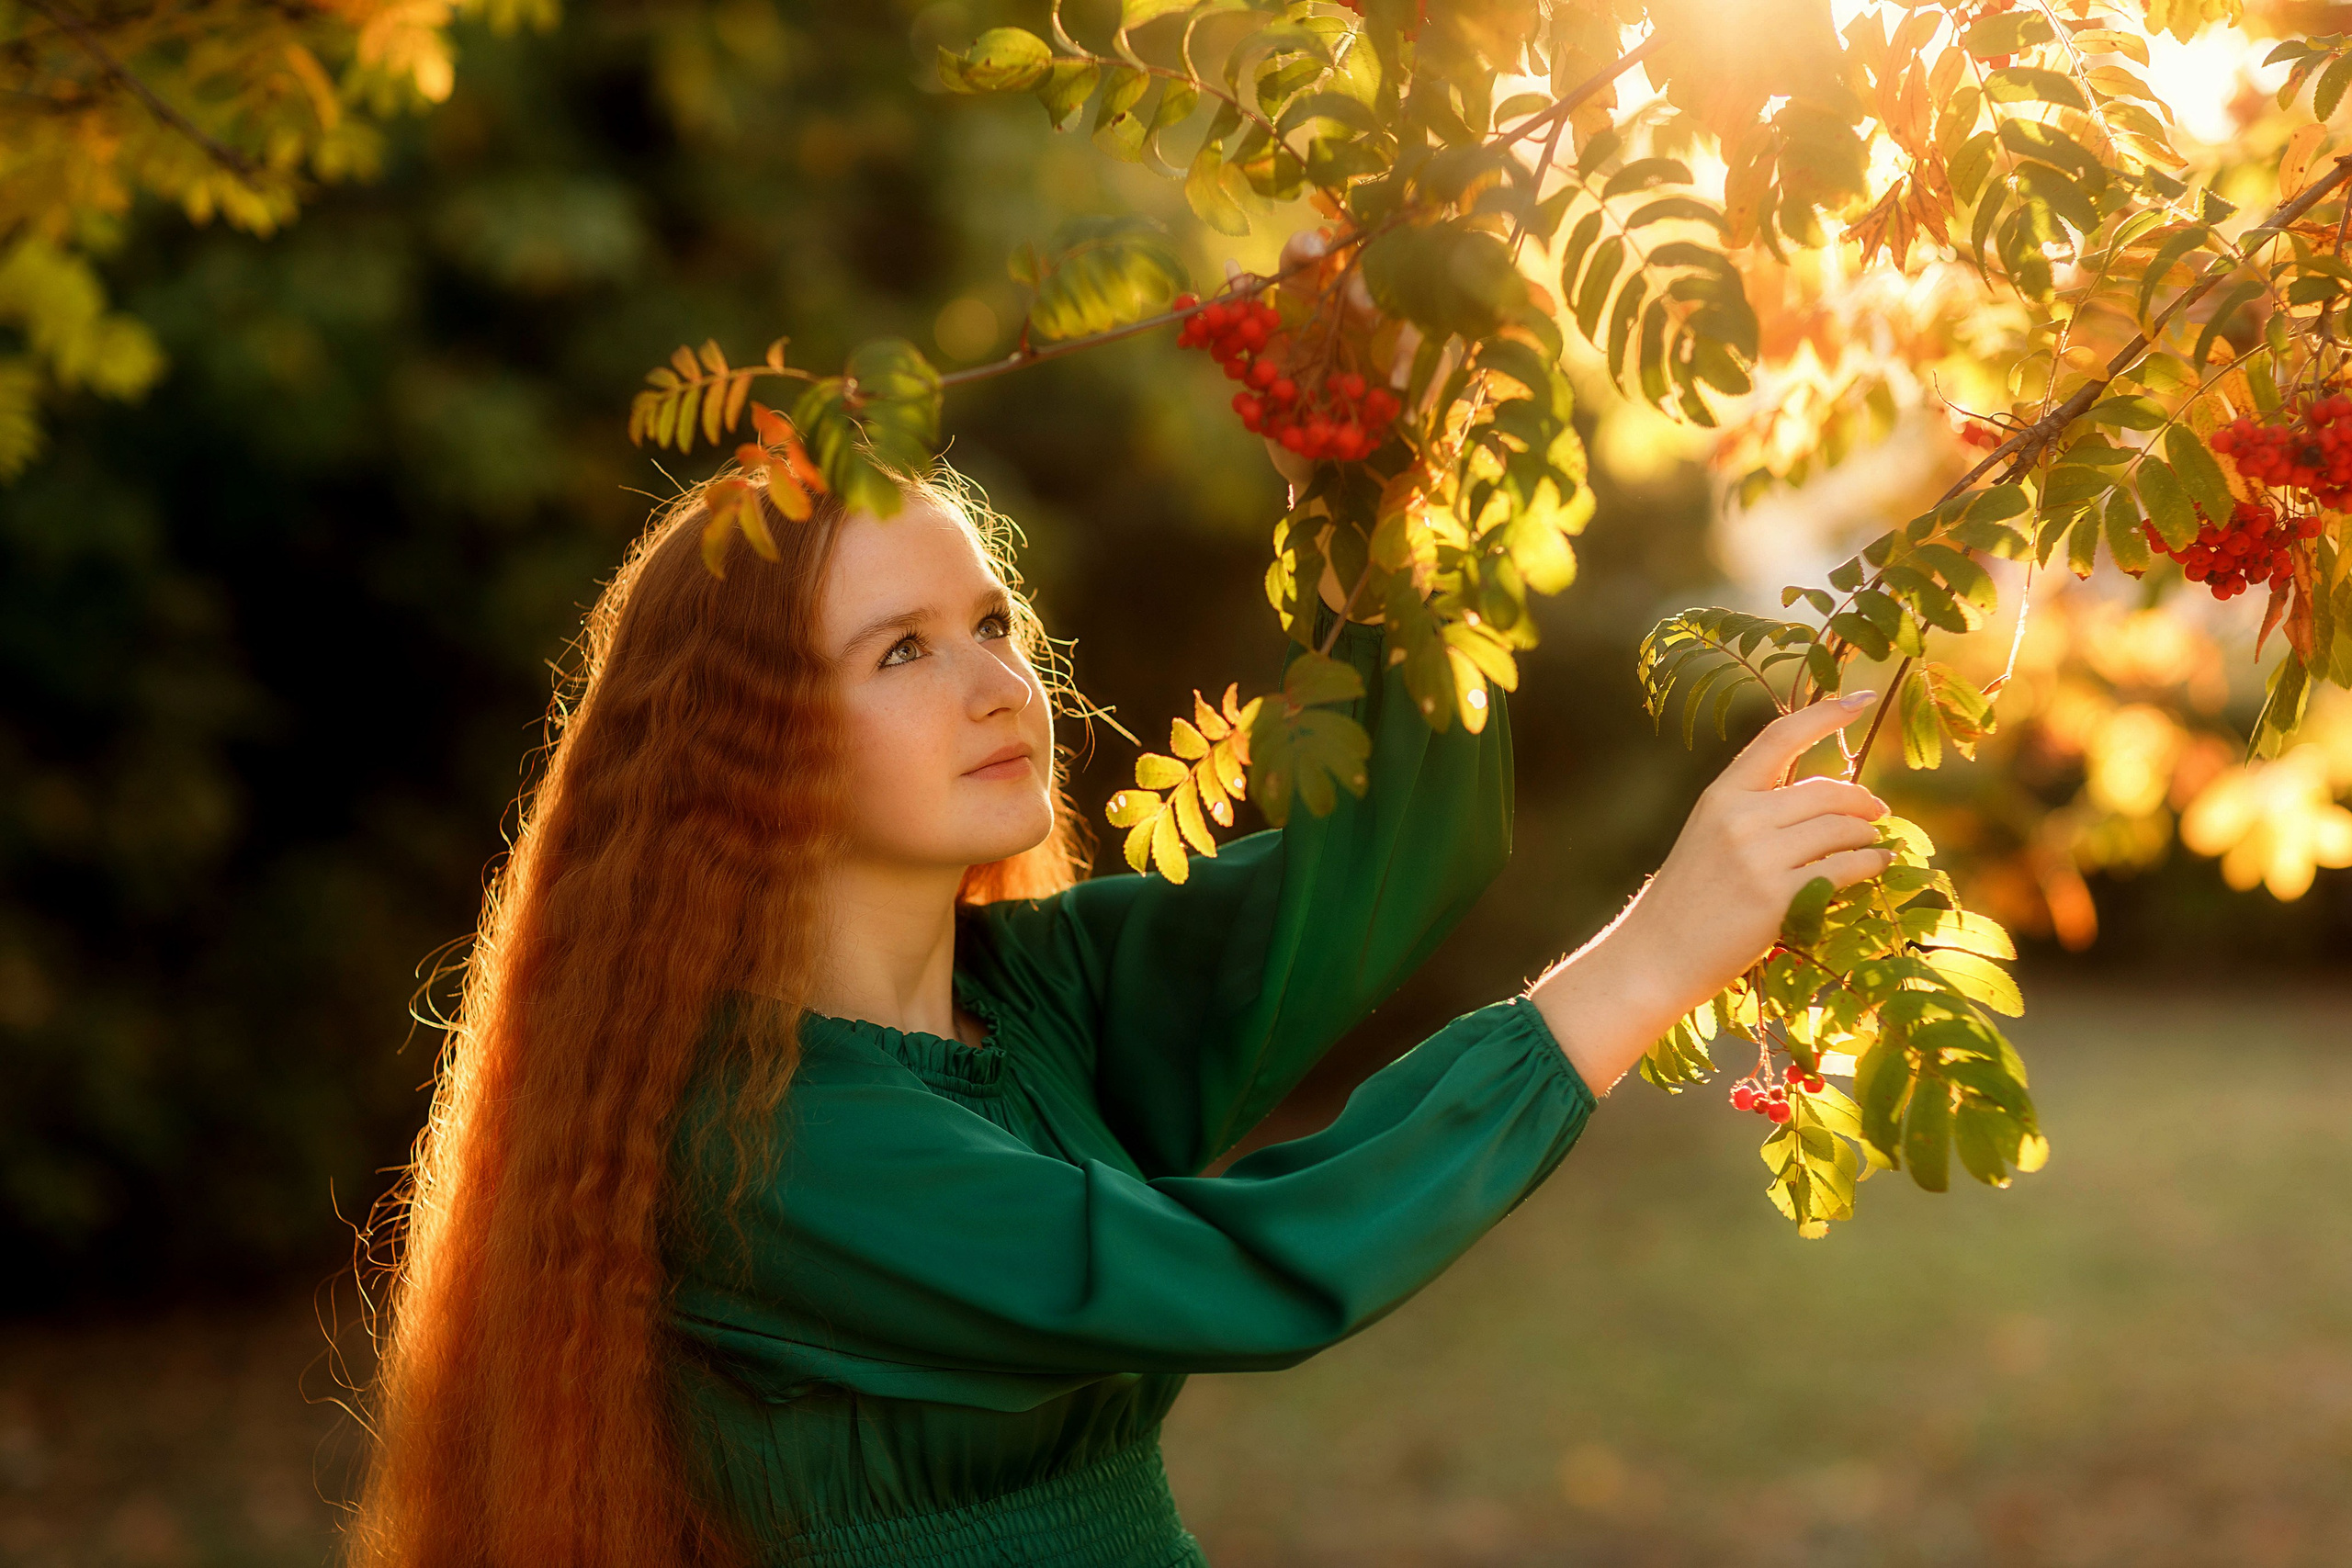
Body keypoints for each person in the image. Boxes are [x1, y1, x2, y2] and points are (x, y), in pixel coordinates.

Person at [346, 453, 1894, 1568]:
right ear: (747, 750)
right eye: (902, 650)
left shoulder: (1035, 995)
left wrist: (1366, 487)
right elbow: (1254, 1274)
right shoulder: (758, 1147)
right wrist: (1646, 962)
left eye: (992, 625)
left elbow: (1395, 852)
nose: (994, 687)